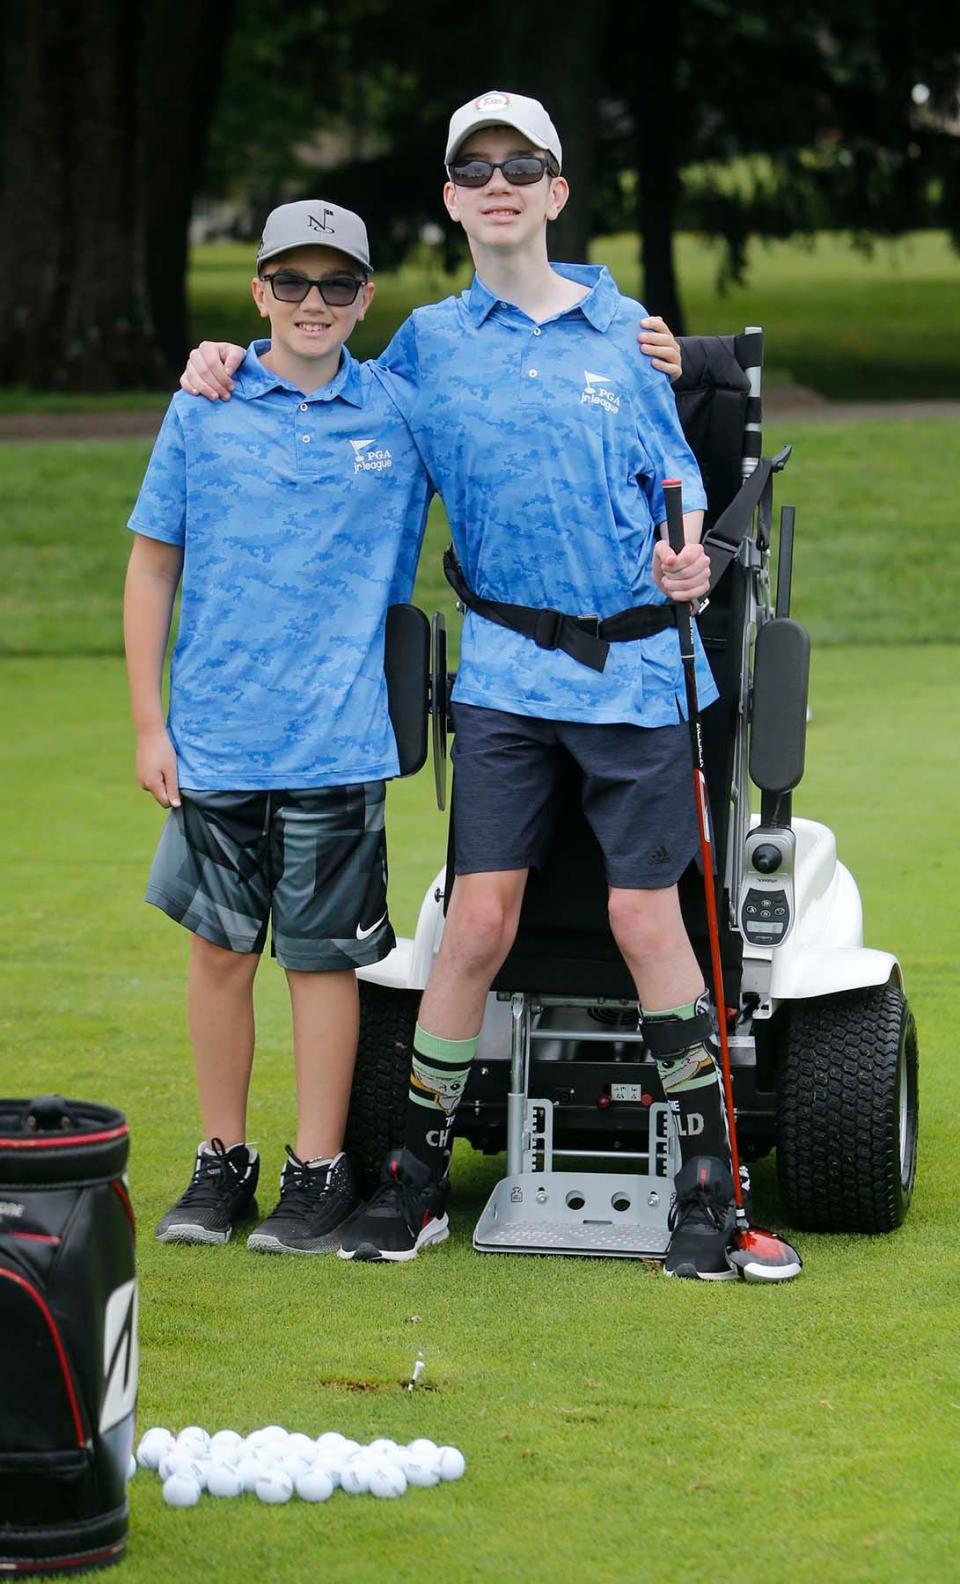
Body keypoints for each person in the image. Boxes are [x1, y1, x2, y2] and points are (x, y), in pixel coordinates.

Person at [178, 93, 726, 1277]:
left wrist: (694, 554)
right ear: (450, 198)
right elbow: (322, 381)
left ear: (556, 188)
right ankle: (416, 1181)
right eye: (474, 167)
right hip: (506, 677)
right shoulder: (424, 345)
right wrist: (225, 356)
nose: (498, 182)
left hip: (633, 669)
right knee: (473, 923)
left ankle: (705, 1185)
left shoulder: (625, 334)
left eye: (521, 163)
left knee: (645, 917)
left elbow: (681, 484)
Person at [124, 200, 432, 1253]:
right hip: (214, 737)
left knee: (319, 964)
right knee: (218, 956)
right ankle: (222, 1166)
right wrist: (148, 722)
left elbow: (507, 397)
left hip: (339, 741)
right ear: (258, 292)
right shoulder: (201, 407)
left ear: (364, 299)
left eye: (336, 285)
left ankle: (318, 1170)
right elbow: (153, 563)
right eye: (291, 284)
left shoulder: (400, 410)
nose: (313, 303)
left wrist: (636, 335)